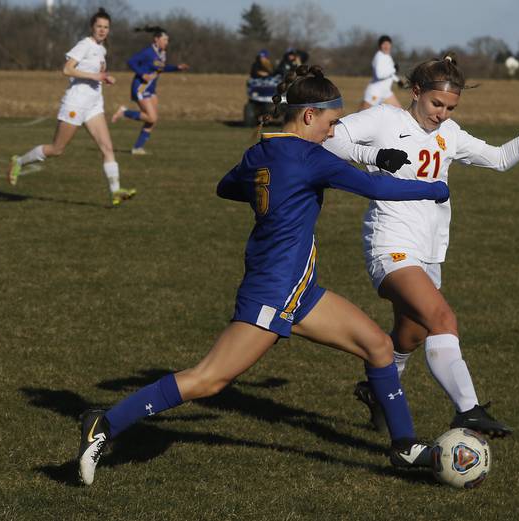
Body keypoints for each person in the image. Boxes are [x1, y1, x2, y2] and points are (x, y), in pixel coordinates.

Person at [76, 65, 451, 486]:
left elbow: (226, 186)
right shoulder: (312, 158)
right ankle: (104, 424)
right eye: (330, 123)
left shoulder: (262, 151)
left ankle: (403, 447)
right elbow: (380, 189)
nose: (332, 133)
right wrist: (435, 188)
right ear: (309, 116)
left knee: (379, 346)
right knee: (209, 379)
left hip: (298, 289)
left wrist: (264, 191)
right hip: (273, 289)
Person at [323, 54, 519, 438]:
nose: (442, 114)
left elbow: (501, 160)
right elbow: (331, 138)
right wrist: (374, 156)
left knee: (414, 331)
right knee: (442, 319)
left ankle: (377, 388)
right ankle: (468, 410)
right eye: (437, 104)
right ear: (416, 92)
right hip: (390, 244)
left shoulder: (449, 134)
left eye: (451, 108)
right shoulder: (385, 119)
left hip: (429, 252)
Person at [6, 8, 135, 207]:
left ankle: (116, 191)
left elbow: (94, 71)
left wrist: (105, 77)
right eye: (99, 26)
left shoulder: (102, 49)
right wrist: (95, 76)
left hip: (93, 105)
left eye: (106, 27)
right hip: (75, 103)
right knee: (57, 149)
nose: (102, 30)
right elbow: (67, 69)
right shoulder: (84, 44)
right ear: (92, 27)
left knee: (107, 148)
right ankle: (19, 162)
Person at [111, 25, 189, 155]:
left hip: (151, 89)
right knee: (151, 118)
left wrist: (177, 68)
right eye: (165, 39)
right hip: (140, 88)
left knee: (153, 120)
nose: (167, 42)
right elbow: (131, 62)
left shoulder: (162, 54)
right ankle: (124, 112)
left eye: (167, 40)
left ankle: (137, 148)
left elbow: (161, 68)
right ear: (156, 40)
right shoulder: (148, 52)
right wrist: (142, 74)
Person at [360, 35, 403, 110]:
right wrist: (394, 69)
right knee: (360, 115)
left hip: (386, 92)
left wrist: (398, 80)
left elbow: (389, 73)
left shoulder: (388, 56)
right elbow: (380, 75)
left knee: (399, 112)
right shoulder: (379, 57)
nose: (386, 46)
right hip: (375, 92)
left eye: (388, 44)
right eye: (384, 44)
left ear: (391, 45)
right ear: (380, 46)